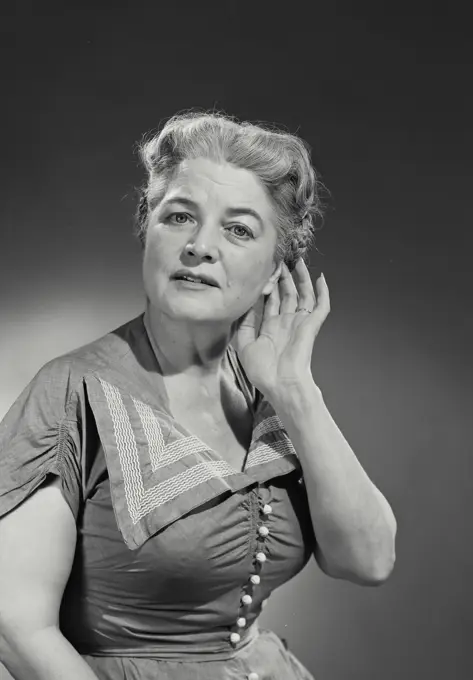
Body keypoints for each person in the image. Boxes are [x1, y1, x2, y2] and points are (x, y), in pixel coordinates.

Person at [0, 110, 397, 680]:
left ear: (274, 273)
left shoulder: (271, 395)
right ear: (147, 231)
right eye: (179, 216)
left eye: (238, 229)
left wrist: (295, 390)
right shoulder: (71, 391)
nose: (200, 246)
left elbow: (369, 561)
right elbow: (16, 625)